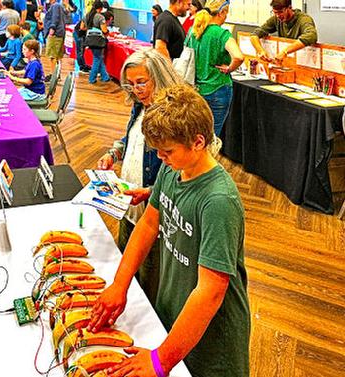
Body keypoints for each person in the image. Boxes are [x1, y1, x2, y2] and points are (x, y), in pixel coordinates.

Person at [88, 84, 250, 377]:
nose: (161, 158)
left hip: (212, 340)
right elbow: (149, 223)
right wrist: (120, 285)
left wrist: (160, 361)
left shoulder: (218, 201)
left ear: (198, 142)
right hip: (174, 316)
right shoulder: (173, 167)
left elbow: (211, 291)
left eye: (168, 151)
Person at [96, 48, 183, 306]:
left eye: (141, 82)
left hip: (153, 212)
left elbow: (182, 174)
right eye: (131, 84)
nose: (135, 89)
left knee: (148, 282)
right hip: (131, 205)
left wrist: (151, 192)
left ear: (160, 76)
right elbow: (131, 138)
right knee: (126, 268)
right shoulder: (140, 107)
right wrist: (114, 153)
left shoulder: (174, 116)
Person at [185, 0, 244, 136]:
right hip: (218, 89)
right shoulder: (222, 34)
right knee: (212, 136)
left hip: (197, 90)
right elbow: (239, 57)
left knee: (197, 133)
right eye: (226, 13)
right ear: (221, 12)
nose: (226, 17)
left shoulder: (194, 31)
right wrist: (229, 68)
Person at [251, 0, 317, 64]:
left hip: (303, 60)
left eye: (280, 12)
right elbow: (254, 35)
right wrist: (261, 51)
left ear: (290, 8)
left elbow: (311, 36)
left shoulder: (304, 19)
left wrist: (285, 52)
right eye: (275, 12)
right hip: (285, 62)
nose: (278, 16)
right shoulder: (276, 18)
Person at [85, 0, 110, 84]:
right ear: (100, 8)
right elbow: (104, 29)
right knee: (97, 59)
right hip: (98, 41)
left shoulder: (87, 16)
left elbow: (82, 27)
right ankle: (92, 78)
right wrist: (107, 33)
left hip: (90, 40)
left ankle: (105, 76)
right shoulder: (100, 17)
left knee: (98, 57)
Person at [43, 0, 67, 82]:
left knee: (52, 56)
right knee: (57, 56)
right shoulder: (59, 6)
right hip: (60, 33)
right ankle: (56, 74)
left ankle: (54, 76)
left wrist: (52, 29)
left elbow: (55, 18)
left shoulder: (55, 6)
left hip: (55, 33)